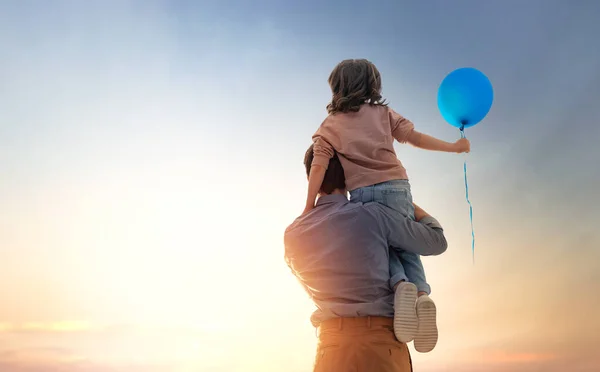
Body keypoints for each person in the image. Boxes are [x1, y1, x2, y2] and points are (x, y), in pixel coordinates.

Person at [302, 59, 469, 350]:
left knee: (383, 243)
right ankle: (421, 296)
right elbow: (414, 138)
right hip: (398, 188)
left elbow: (319, 165)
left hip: (365, 195)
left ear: (337, 86)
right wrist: (453, 147)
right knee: (405, 243)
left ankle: (399, 284)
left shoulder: (330, 125)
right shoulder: (383, 113)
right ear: (372, 84)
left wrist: (308, 206)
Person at [285, 145, 448, 371]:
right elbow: (436, 242)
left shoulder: (293, 234)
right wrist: (403, 203)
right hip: (381, 346)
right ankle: (418, 291)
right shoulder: (374, 214)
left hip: (330, 349)